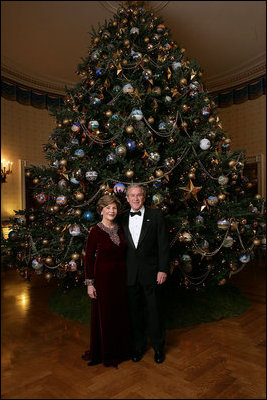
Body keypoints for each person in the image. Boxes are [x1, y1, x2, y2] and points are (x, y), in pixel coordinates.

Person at [121, 184, 170, 364]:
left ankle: (158, 348)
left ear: (144, 197)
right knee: (134, 313)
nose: (135, 198)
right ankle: (138, 347)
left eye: (139, 195)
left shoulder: (156, 216)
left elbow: (163, 245)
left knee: (154, 312)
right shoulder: (121, 218)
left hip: (151, 273)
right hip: (130, 274)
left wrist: (163, 269)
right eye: (132, 195)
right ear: (127, 198)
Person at [82, 194, 131, 367]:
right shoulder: (95, 231)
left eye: (114, 207)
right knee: (106, 316)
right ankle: (106, 352)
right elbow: (88, 259)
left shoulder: (120, 228)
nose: (112, 211)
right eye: (108, 207)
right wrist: (90, 284)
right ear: (101, 209)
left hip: (121, 278)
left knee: (120, 313)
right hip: (103, 280)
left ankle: (122, 349)